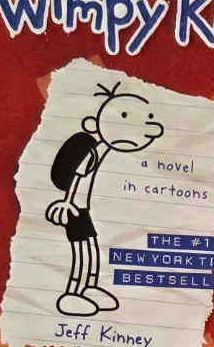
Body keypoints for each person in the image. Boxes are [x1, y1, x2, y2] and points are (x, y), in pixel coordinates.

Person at [45, 80, 164, 316]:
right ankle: (73, 293)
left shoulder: (103, 151)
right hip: (75, 210)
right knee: (82, 252)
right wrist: (66, 203)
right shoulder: (90, 153)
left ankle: (89, 287)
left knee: (91, 250)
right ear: (93, 123)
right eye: (124, 116)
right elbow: (76, 180)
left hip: (84, 210)